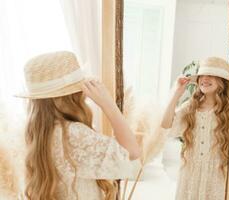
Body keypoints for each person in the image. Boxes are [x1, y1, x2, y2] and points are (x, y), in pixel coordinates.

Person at [17, 51, 141, 200]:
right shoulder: (73, 134)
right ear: (70, 96)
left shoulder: (35, 133)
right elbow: (132, 155)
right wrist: (109, 105)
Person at [161, 57, 229, 200]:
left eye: (211, 75)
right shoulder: (191, 106)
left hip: (216, 175)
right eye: (202, 75)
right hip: (190, 173)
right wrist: (177, 93)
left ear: (221, 82)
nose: (205, 79)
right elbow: (166, 124)